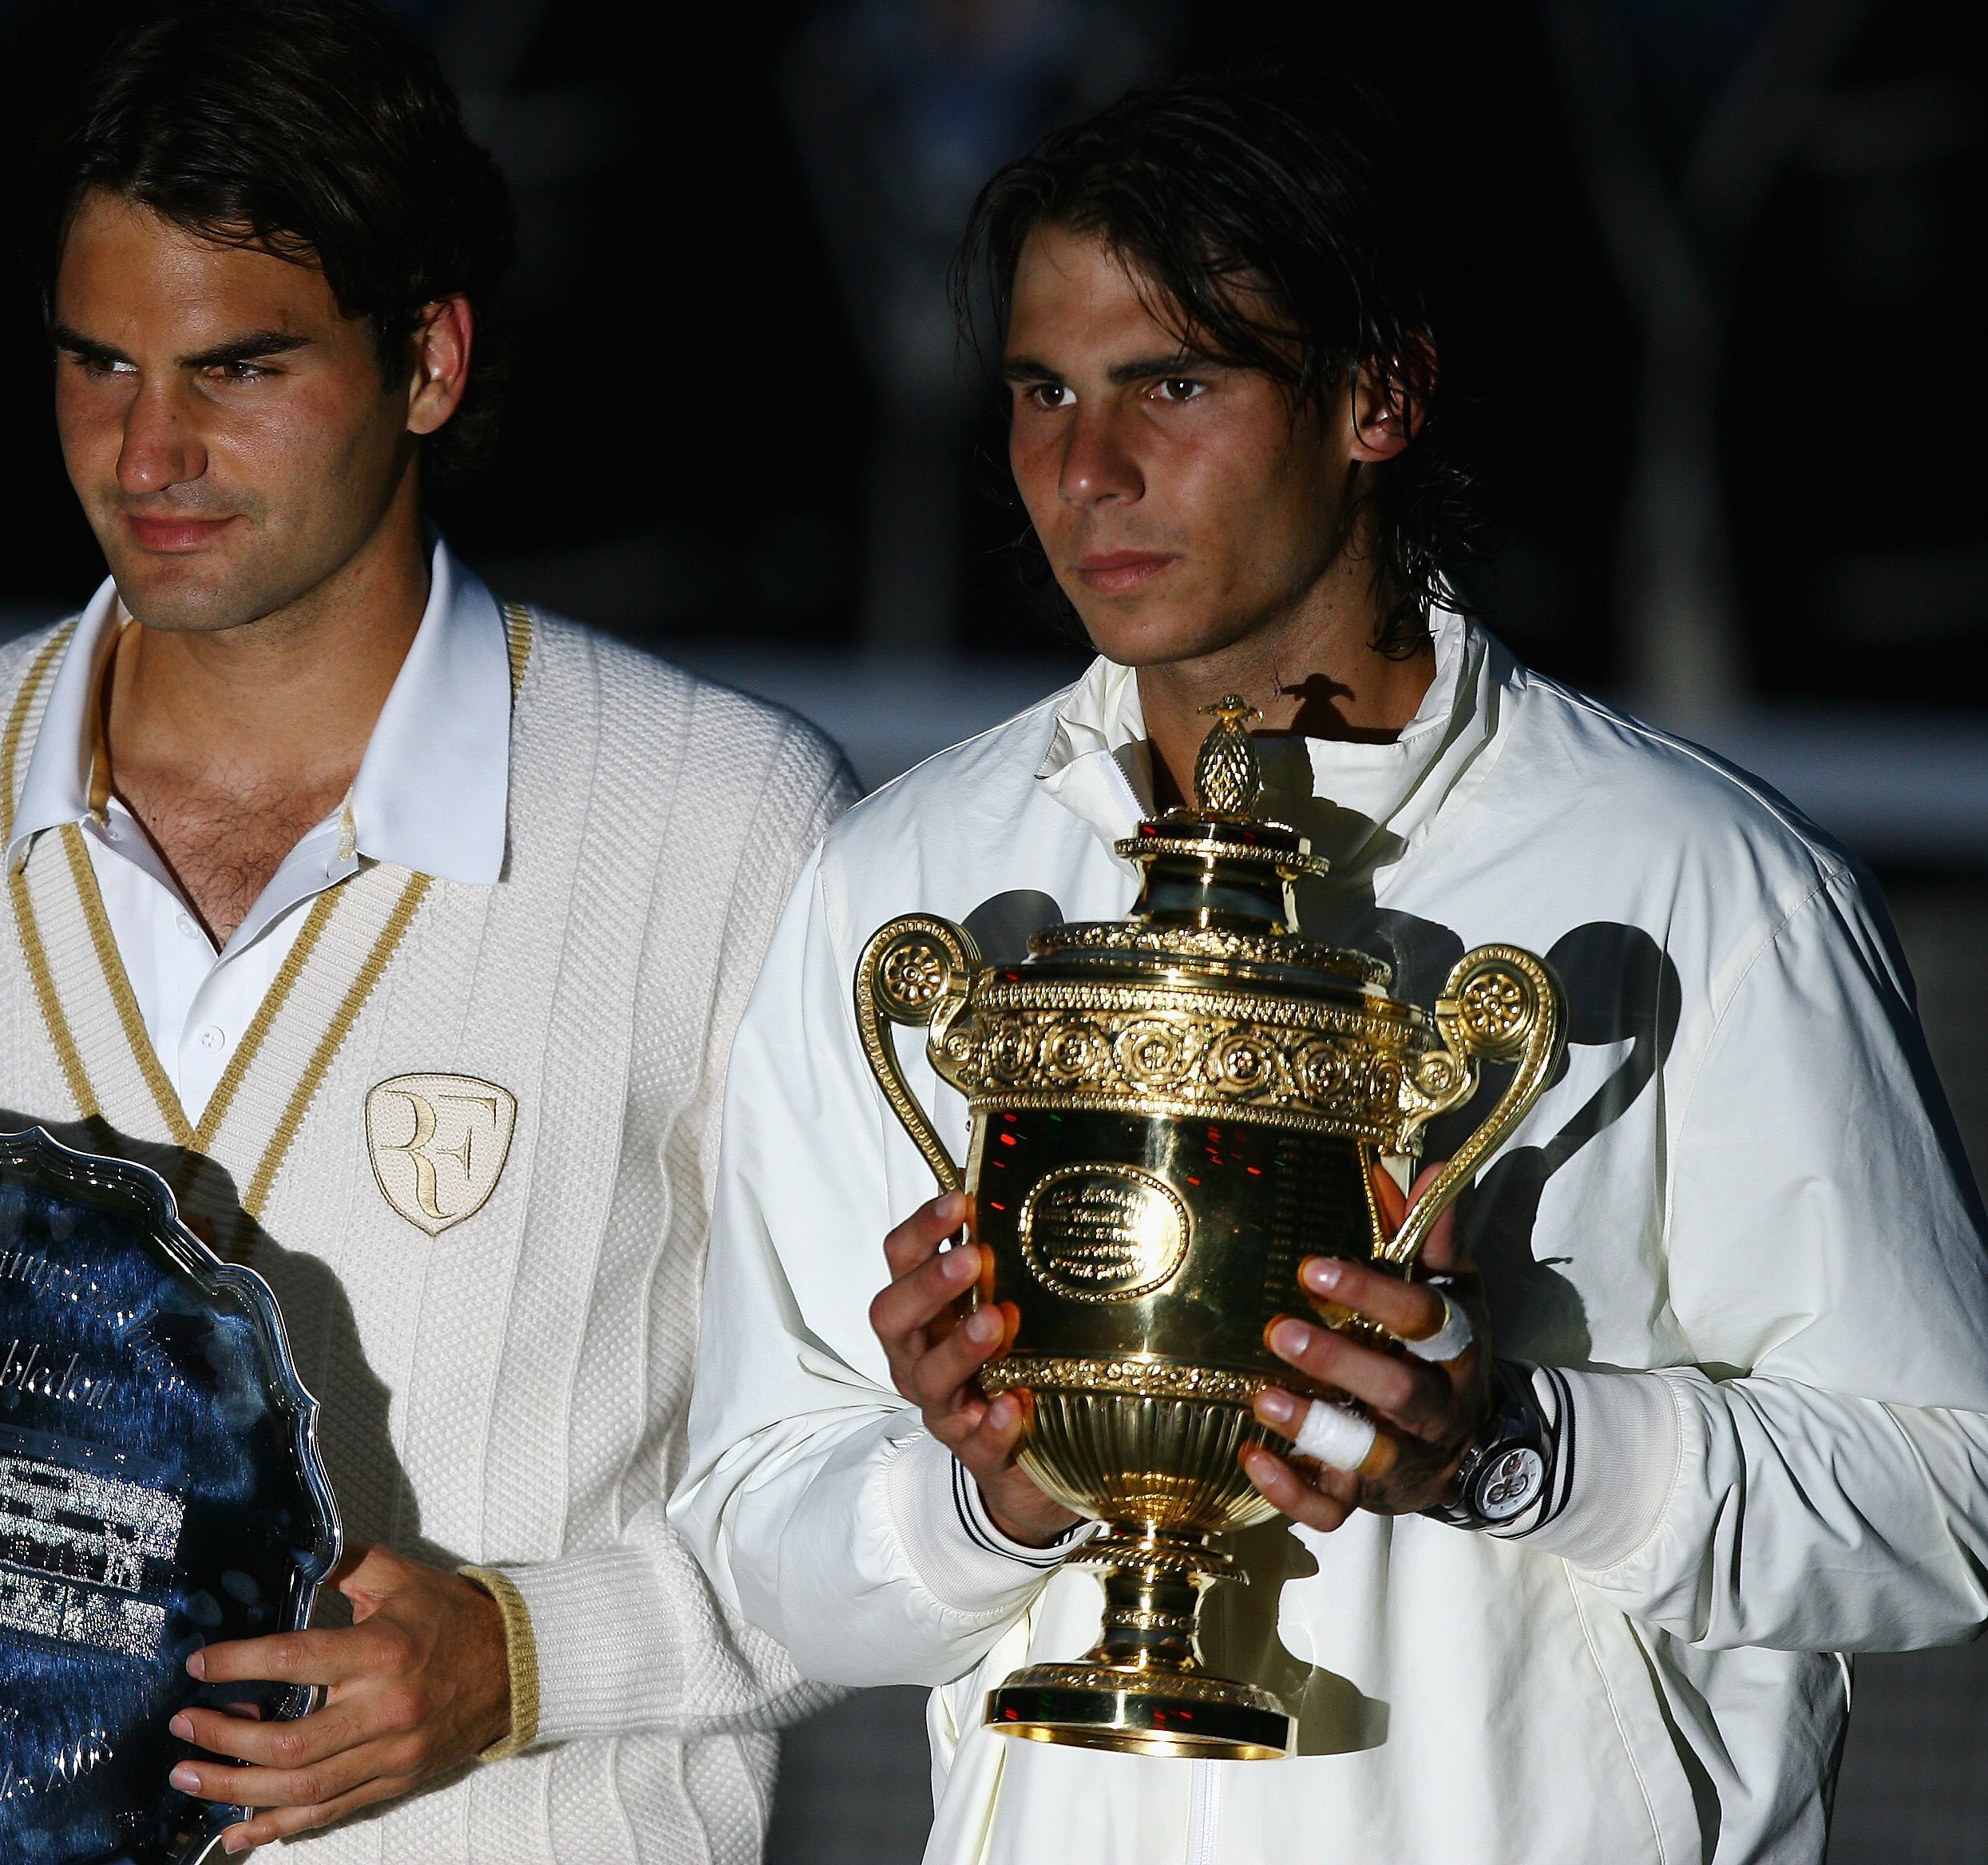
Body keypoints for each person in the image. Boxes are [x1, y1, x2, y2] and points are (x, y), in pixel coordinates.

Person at [672, 75, 1988, 1865]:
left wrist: (1510, 1445)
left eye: (1175, 383)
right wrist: (986, 1495)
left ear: (1378, 394)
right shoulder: (901, 882)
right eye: (1042, 391)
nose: (1088, 469)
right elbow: (763, 1542)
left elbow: (1947, 1495)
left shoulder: (1703, 884)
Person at [0, 4, 852, 1859]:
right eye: (98, 364)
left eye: (237, 368)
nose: (148, 447)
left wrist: (528, 1655)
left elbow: (904, 1488)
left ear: (426, 360)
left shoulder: (727, 822)